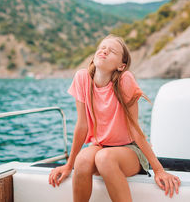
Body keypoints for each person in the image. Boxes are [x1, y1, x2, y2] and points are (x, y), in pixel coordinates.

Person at [48, 34, 181, 201]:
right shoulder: (82, 78)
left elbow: (135, 129)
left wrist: (159, 169)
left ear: (121, 66)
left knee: (104, 158)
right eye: (102, 48)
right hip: (100, 146)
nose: (104, 51)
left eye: (112, 51)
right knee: (81, 160)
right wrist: (68, 165)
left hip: (130, 151)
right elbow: (82, 126)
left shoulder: (125, 80)